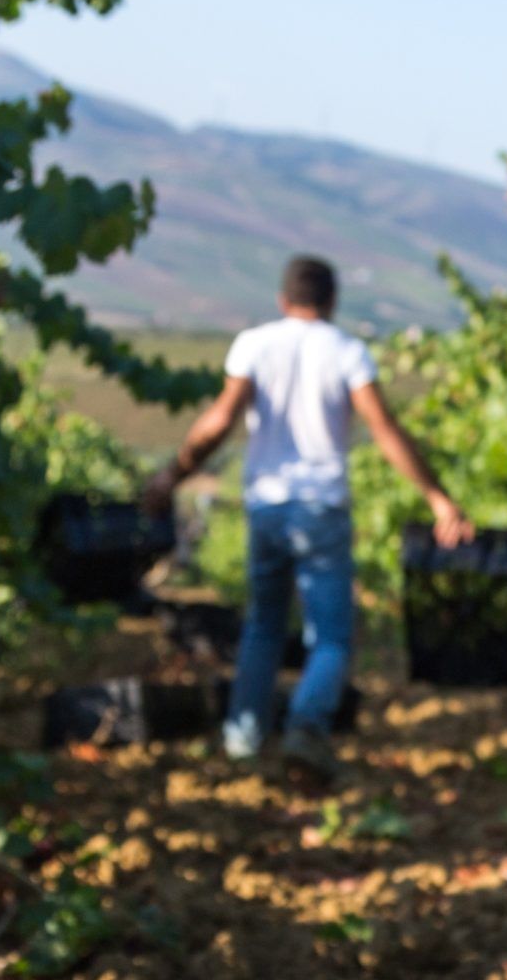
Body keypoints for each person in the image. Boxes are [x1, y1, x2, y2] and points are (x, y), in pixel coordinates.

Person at [146, 254, 472, 774]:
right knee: (333, 633)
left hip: (266, 506)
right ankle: (306, 727)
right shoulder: (346, 352)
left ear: (284, 299)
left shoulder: (253, 345)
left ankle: (242, 738)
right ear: (332, 302)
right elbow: (384, 429)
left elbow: (219, 422)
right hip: (321, 507)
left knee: (264, 626)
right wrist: (436, 495)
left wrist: (172, 474)